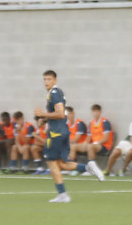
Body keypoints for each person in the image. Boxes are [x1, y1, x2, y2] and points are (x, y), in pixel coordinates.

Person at [33, 70, 105, 203]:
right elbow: (60, 114)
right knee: (61, 164)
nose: (46, 82)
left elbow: (60, 113)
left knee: (51, 163)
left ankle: (63, 195)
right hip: (61, 131)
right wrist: (46, 119)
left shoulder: (54, 93)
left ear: (55, 80)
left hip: (55, 133)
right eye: (45, 79)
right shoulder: (55, 93)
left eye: (49, 79)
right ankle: (88, 167)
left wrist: (42, 114)